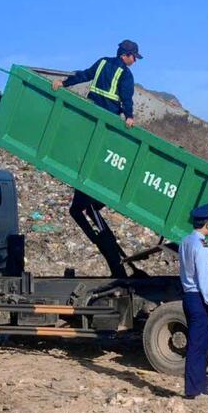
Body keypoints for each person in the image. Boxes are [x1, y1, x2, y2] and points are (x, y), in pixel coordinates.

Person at [51, 39, 143, 277]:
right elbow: (126, 98)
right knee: (106, 166)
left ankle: (94, 201)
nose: (135, 61)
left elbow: (84, 75)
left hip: (90, 121)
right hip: (108, 126)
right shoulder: (126, 75)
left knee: (86, 185)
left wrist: (63, 83)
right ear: (127, 55)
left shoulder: (102, 63)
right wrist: (129, 116)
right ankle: (98, 197)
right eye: (135, 57)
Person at [179, 202, 208, 399]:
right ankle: (193, 390)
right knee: (197, 346)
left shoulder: (186, 241)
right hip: (199, 298)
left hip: (189, 296)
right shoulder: (201, 246)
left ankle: (201, 385)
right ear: (206, 224)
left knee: (200, 344)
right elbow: (205, 280)